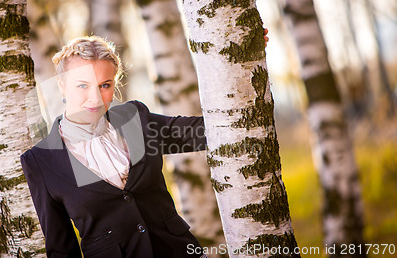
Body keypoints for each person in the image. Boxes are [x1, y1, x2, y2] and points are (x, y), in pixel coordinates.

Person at [21, 32, 269, 257]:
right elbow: (61, 248)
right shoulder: (41, 161)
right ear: (62, 85)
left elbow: (210, 130)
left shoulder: (134, 119)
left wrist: (242, 61)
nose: (95, 98)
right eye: (82, 85)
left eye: (104, 85)